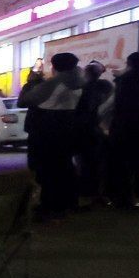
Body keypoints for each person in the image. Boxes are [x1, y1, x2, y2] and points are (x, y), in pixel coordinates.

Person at [19, 51, 84, 219]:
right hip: (68, 127)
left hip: (48, 129)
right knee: (64, 166)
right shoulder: (81, 82)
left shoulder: (55, 83)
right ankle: (68, 202)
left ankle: (49, 205)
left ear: (54, 67)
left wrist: (32, 83)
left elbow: (26, 100)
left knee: (45, 169)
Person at [105, 51, 139, 208]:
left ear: (130, 63)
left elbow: (119, 104)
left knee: (122, 161)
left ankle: (124, 196)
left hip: (126, 124)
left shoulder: (126, 80)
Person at [75, 60, 113, 204]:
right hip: (98, 130)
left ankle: (86, 191)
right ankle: (97, 192)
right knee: (97, 163)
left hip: (85, 130)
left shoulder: (82, 89)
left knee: (84, 162)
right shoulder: (105, 86)